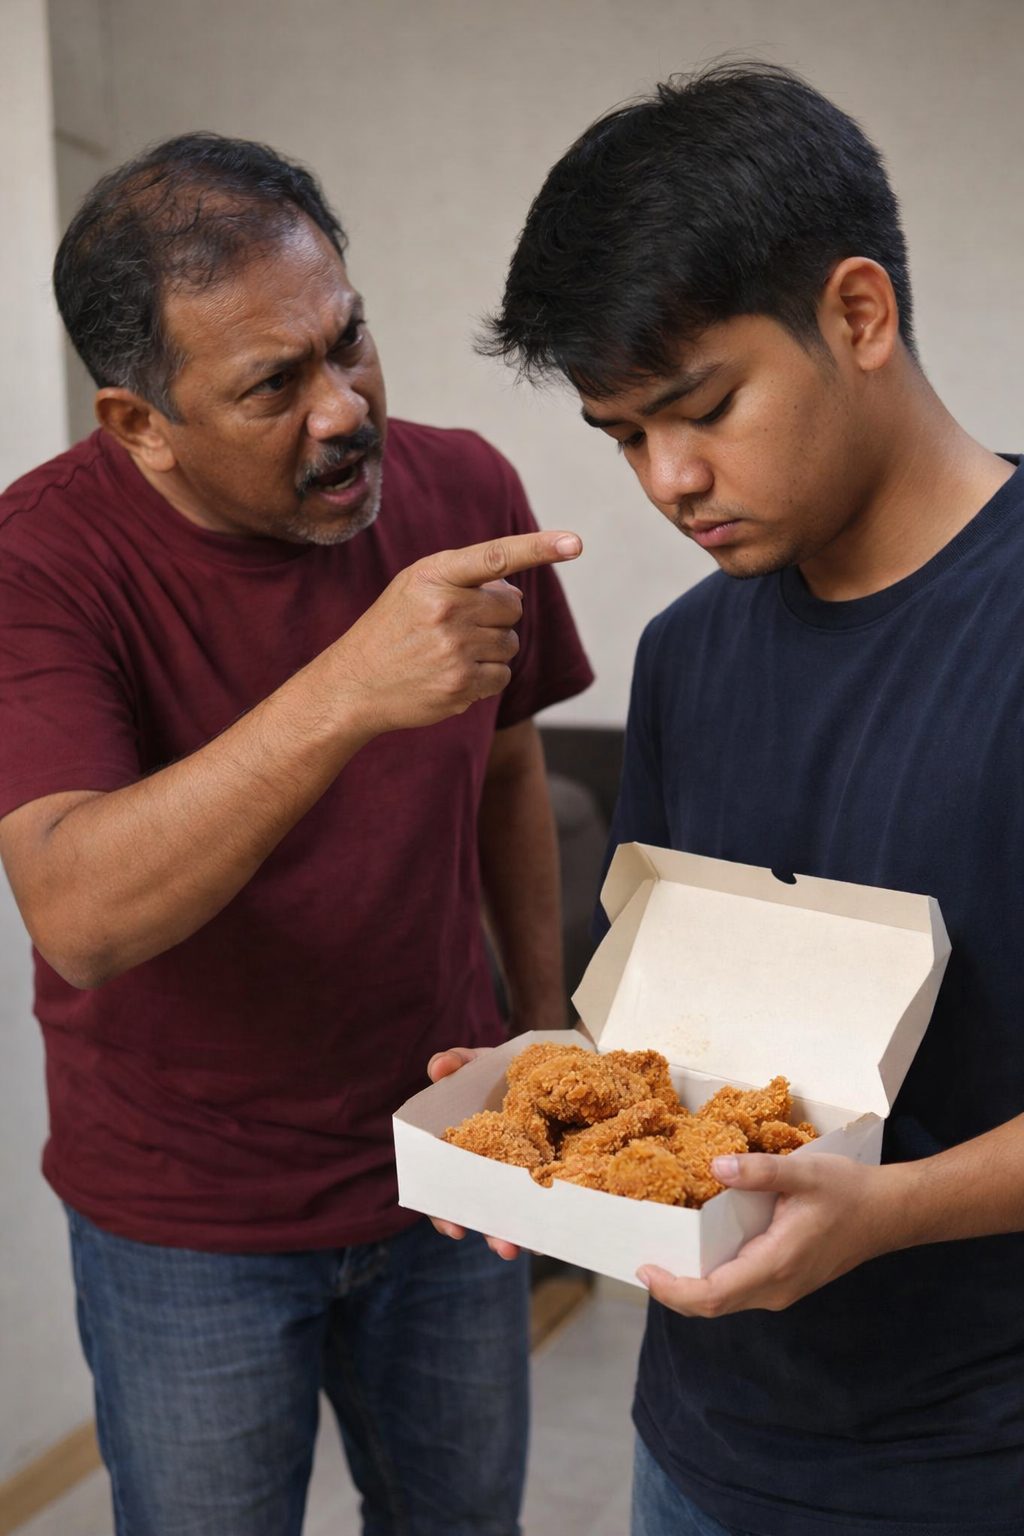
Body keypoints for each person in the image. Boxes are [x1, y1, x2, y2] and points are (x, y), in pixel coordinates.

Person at [430, 61, 1024, 1536]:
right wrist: (545, 1108)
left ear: (858, 315)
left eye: (703, 408)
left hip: (973, 1461)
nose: (671, 481)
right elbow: (680, 1029)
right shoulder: (687, 652)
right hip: (700, 1442)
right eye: (623, 436)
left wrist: (889, 1209)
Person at [0, 132, 593, 1536]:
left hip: (449, 1163)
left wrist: (544, 1035)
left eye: (351, 341)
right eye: (275, 384)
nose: (345, 410)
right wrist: (345, 691)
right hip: (184, 1221)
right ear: (138, 423)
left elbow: (510, 776)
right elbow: (77, 915)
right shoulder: (38, 562)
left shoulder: (462, 494)